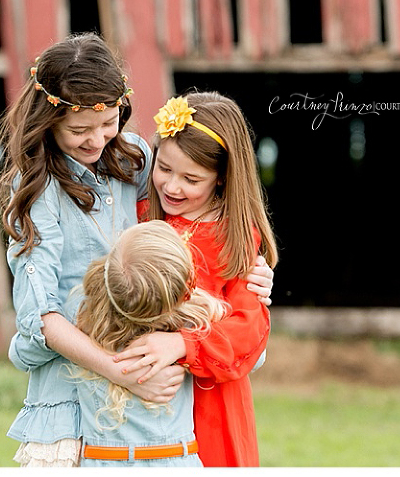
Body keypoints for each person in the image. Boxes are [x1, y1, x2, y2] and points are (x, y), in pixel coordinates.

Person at [0, 32, 274, 467]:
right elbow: (39, 318)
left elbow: (185, 230)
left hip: (157, 388)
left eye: (108, 123)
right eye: (78, 130)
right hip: (77, 388)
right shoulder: (36, 190)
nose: (96, 140)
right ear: (47, 121)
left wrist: (245, 272)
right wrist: (122, 372)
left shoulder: (135, 162)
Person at [114, 92, 279, 466]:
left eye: (191, 178)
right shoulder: (139, 219)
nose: (172, 187)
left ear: (221, 179)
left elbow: (248, 330)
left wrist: (181, 344)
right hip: (141, 390)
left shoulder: (233, 238)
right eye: (164, 168)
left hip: (211, 403)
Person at [70, 220, 225, 466]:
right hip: (177, 460)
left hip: (103, 460)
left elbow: (22, 351)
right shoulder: (196, 321)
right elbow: (254, 356)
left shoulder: (84, 324)